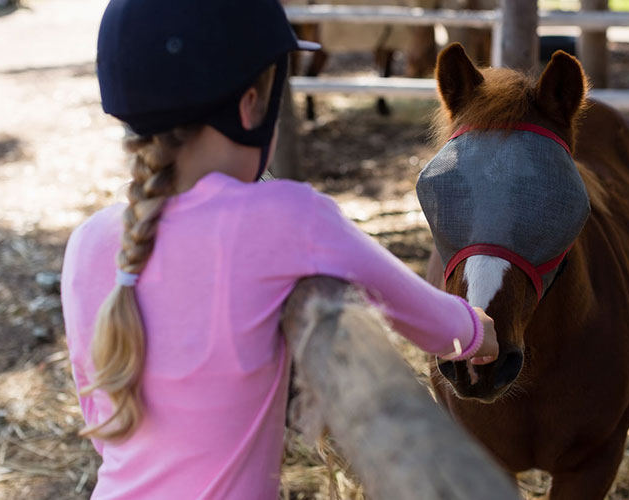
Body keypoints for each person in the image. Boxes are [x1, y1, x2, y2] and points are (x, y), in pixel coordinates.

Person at [60, 0, 499, 498]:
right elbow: (430, 321)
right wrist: (477, 329)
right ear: (252, 106)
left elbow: (103, 422)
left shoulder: (87, 244)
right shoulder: (289, 216)